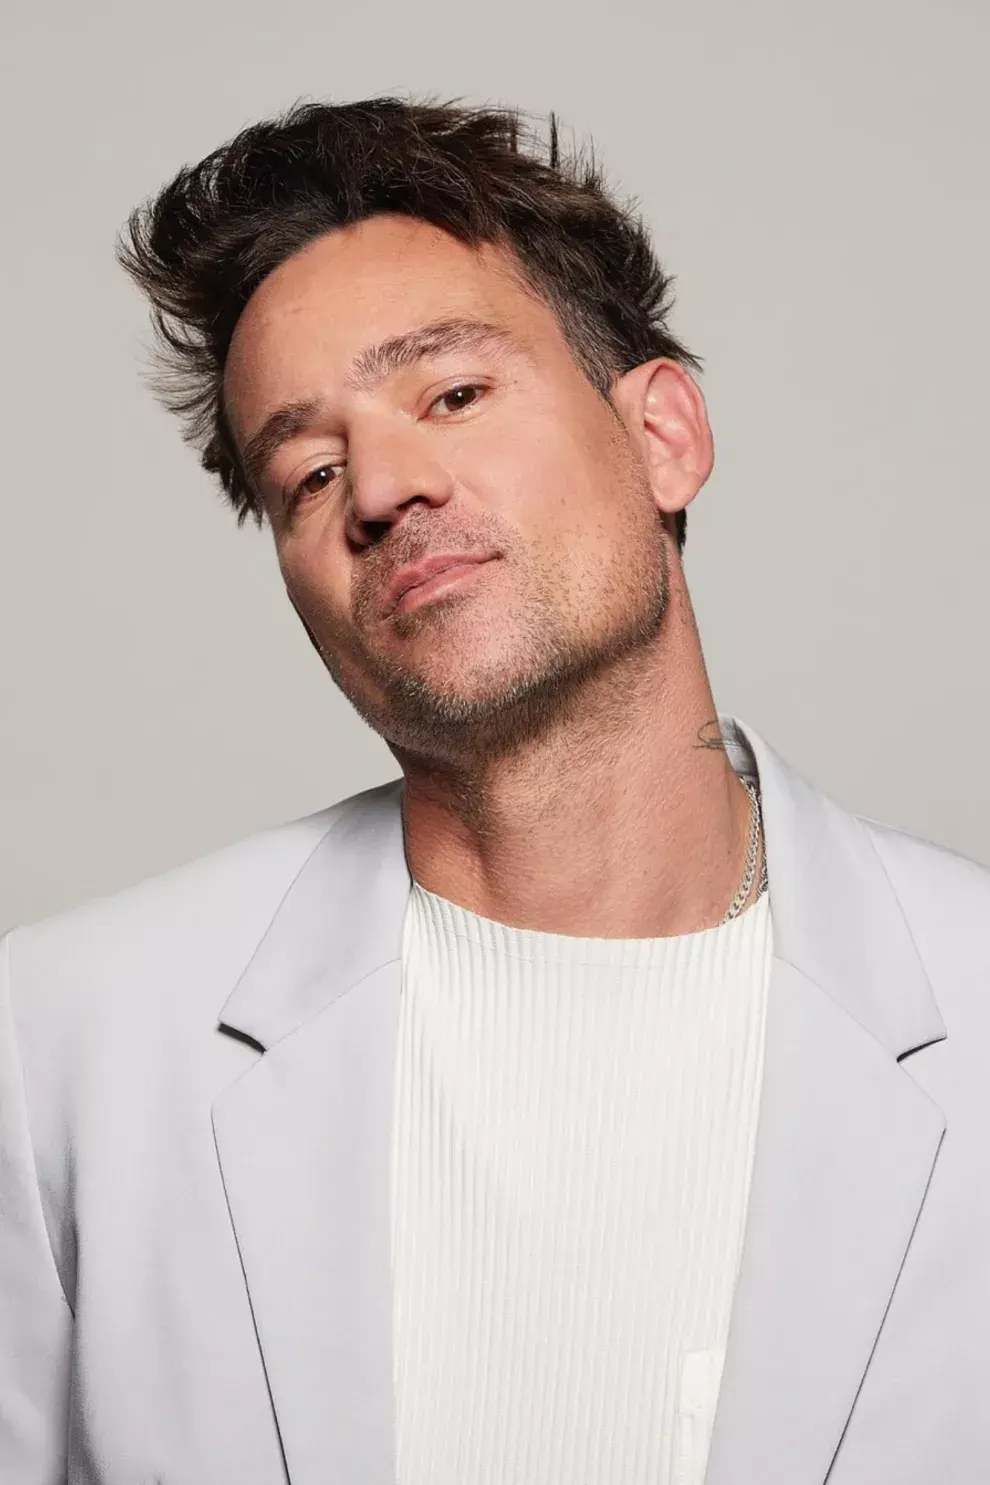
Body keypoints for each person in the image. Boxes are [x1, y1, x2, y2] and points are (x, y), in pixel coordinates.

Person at [1, 96, 988, 1485]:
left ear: (663, 436)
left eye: (452, 396)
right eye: (308, 471)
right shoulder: (62, 1049)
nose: (381, 490)